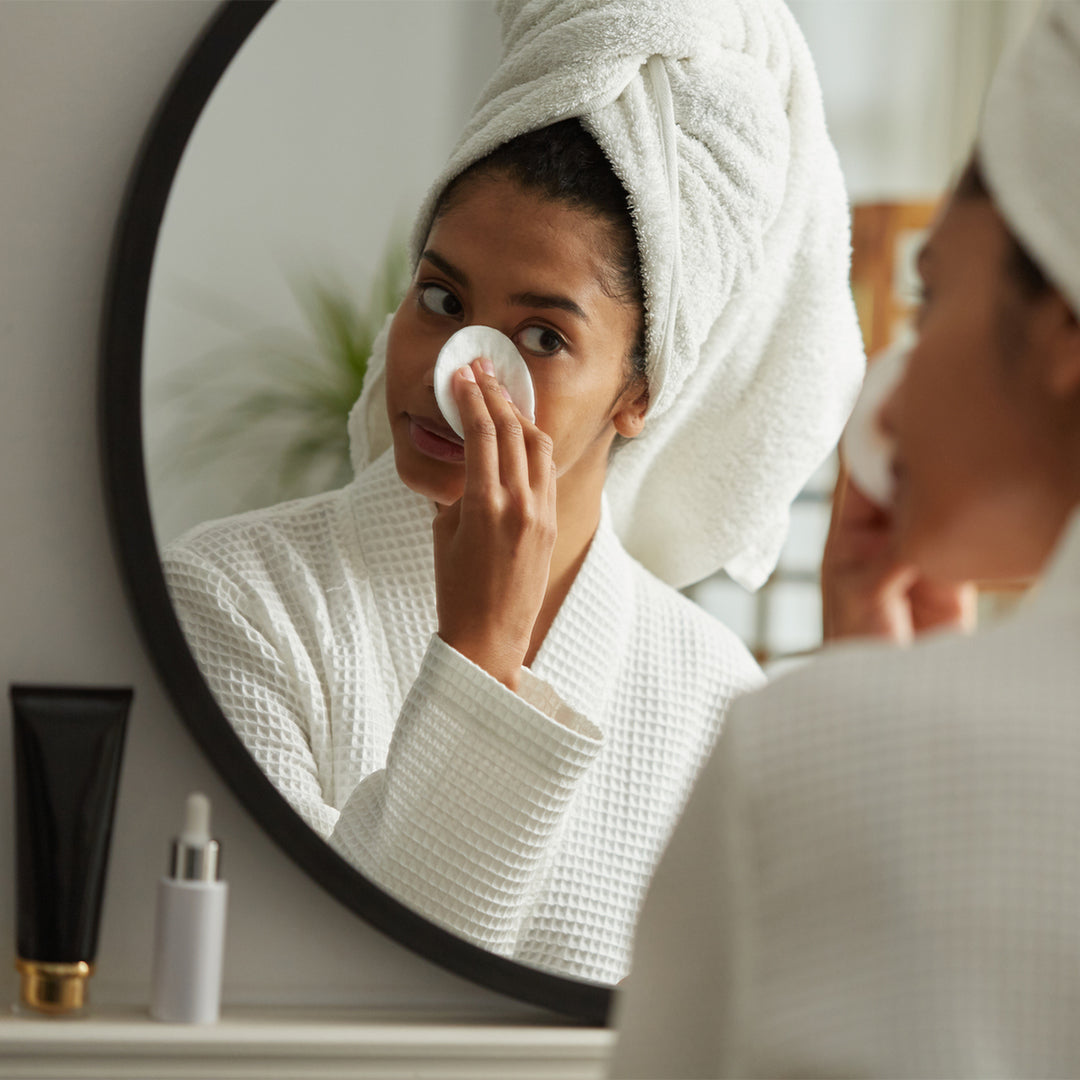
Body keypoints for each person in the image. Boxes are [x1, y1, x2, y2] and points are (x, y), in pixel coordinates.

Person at [163, 0, 863, 984]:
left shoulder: (714, 703)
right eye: (441, 298)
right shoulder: (236, 602)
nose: (458, 371)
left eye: (542, 337)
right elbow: (326, 999)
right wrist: (479, 658)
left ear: (640, 392)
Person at [611, 2, 1080, 1071]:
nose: (891, 388)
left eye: (929, 295)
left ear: (1063, 331)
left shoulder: (809, 754)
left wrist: (871, 723)